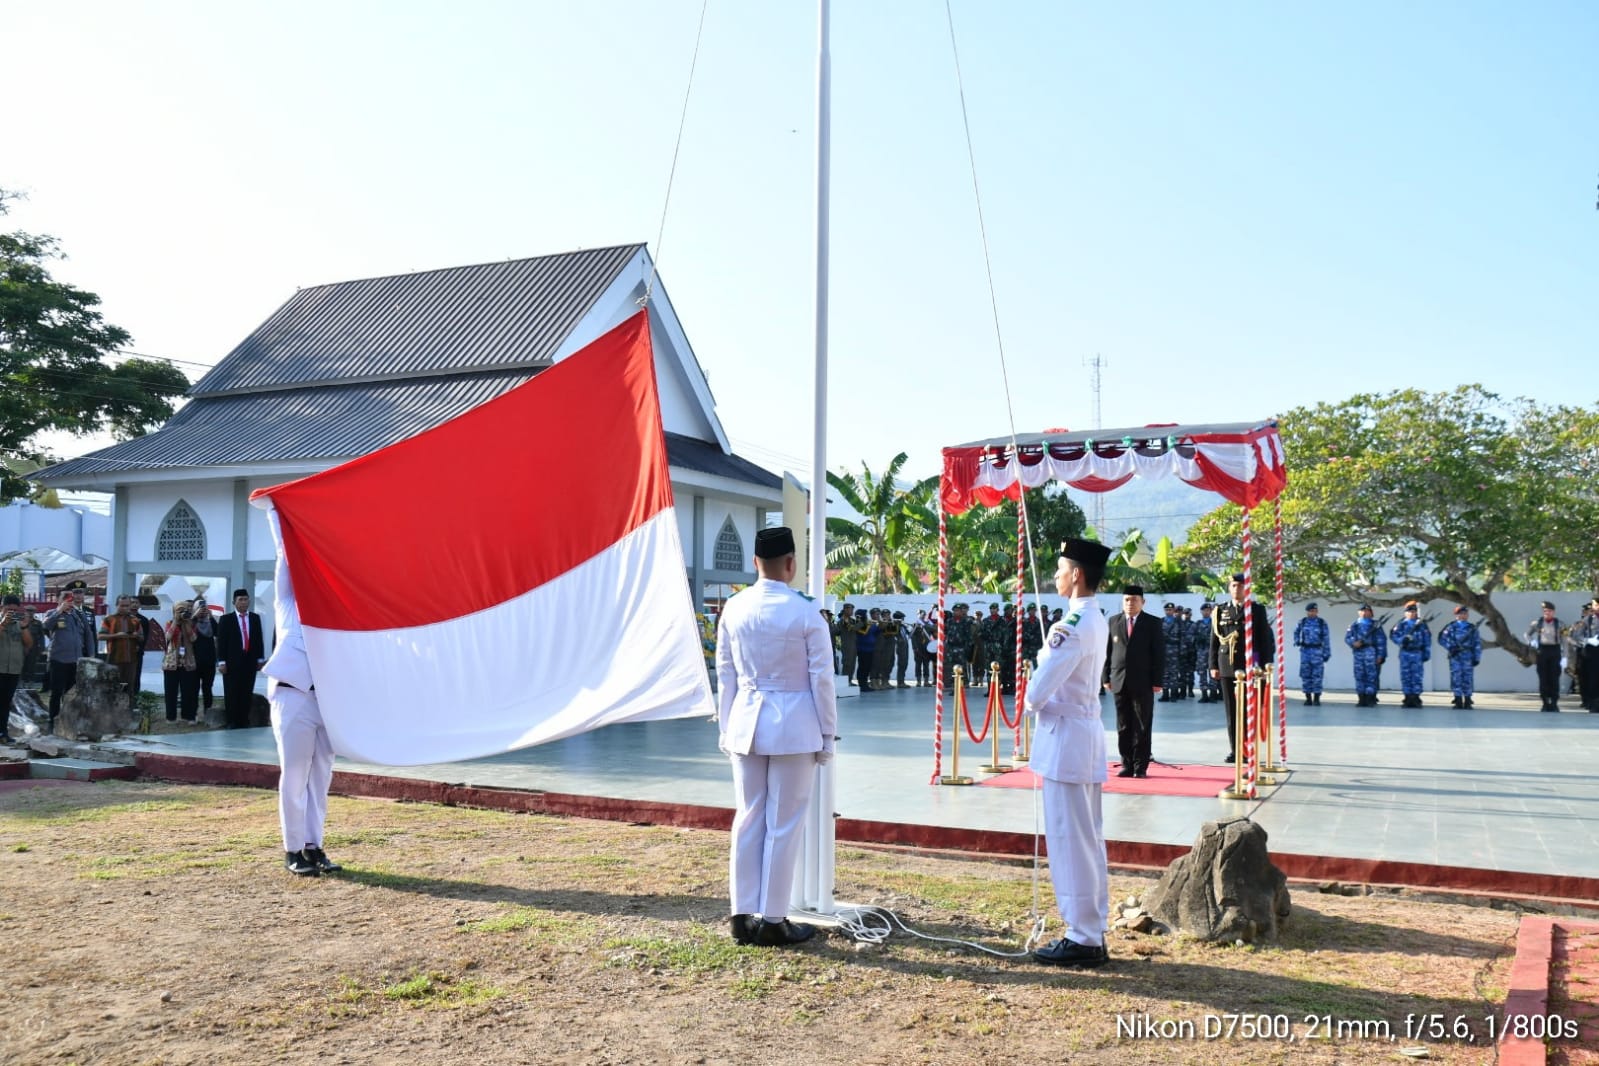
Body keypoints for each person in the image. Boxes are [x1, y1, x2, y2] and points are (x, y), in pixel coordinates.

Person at [715, 526, 835, 947]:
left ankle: (740, 914)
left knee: (747, 817)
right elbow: (822, 679)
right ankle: (773, 919)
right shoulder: (806, 611)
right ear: (791, 564)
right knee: (783, 824)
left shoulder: (733, 606)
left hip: (745, 721)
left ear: (754, 564)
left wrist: (725, 727)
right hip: (794, 726)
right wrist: (828, 733)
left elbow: (725, 673)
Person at [1026, 538, 1112, 968]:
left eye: (1060, 568)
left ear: (1077, 573)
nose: (1055, 576)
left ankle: (1083, 937)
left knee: (1069, 840)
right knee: (1087, 837)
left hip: (1066, 740)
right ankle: (1092, 928)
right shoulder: (1094, 618)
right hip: (1083, 734)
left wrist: (1032, 686)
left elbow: (1035, 694)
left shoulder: (1072, 625)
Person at [262, 508, 342, 877]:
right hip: (292, 695)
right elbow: (284, 561)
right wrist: (280, 514)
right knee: (294, 774)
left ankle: (314, 845)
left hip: (327, 701)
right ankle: (293, 849)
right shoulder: (288, 608)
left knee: (321, 777)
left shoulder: (335, 615)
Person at [1209, 574, 1275, 762]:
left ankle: (1248, 748)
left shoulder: (1256, 610)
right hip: (1227, 665)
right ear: (1229, 588)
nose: (1237, 589)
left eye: (1240, 586)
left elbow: (1264, 641)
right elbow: (1214, 641)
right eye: (1234, 586)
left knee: (1248, 709)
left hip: (1250, 665)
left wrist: (1264, 666)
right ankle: (1235, 750)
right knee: (1231, 710)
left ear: (1247, 589)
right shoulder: (1220, 610)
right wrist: (1213, 665)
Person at [1103, 584, 1163, 778]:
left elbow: (1159, 654)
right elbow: (1107, 653)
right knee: (1123, 725)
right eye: (1127, 600)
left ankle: (1140, 766)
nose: (1130, 603)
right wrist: (1105, 677)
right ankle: (1127, 764)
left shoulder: (1152, 623)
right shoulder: (1113, 621)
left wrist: (1157, 680)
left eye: (1134, 600)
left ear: (1142, 602)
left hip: (1143, 682)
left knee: (1142, 724)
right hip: (1119, 680)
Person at [42, 583, 97, 731]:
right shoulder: (51, 613)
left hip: (76, 660)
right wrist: (59, 611)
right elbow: (45, 626)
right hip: (58, 660)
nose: (69, 600)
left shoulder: (78, 615)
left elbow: (88, 635)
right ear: (59, 600)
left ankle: (70, 720)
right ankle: (52, 722)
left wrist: (91, 655)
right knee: (56, 693)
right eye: (65, 597)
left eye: (70, 597)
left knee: (72, 693)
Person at [216, 588, 266, 728]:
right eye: (240, 600)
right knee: (232, 691)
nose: (244, 602)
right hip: (232, 662)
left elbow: (259, 640)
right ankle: (232, 720)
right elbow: (221, 642)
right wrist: (221, 661)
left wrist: (260, 659)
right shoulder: (226, 619)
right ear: (234, 602)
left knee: (246, 690)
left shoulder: (255, 618)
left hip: (249, 661)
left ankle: (244, 720)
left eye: (246, 599)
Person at [99, 595, 147, 714]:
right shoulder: (109, 619)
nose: (125, 608)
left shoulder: (135, 620)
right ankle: (111, 713)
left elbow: (142, 637)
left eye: (127, 605)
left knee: (129, 687)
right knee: (113, 686)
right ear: (117, 605)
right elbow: (100, 636)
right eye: (122, 605)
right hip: (114, 658)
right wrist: (116, 636)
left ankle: (128, 713)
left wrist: (137, 636)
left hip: (131, 659)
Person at [1, 594, 35, 743]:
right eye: (9, 609)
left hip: (13, 669)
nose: (11, 613)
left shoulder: (18, 623)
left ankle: (3, 733)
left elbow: (29, 644)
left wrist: (25, 627)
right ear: (2, 608)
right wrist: (2, 623)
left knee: (5, 702)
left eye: (15, 610)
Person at [161, 600, 202, 722]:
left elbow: (194, 638)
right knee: (170, 691)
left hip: (187, 662)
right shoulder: (169, 623)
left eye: (185, 610)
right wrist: (176, 621)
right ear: (174, 611)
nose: (183, 612)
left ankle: (188, 716)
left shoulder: (191, 624)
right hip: (171, 662)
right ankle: (171, 717)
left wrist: (186, 624)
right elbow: (168, 637)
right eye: (179, 610)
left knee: (188, 690)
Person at [1437, 606, 1483, 708]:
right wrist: (1451, 647)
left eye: (1465, 613)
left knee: (1467, 678)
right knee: (1456, 677)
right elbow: (1441, 639)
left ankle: (1467, 700)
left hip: (1467, 655)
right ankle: (1457, 699)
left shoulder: (1472, 628)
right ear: (1456, 615)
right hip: (1455, 656)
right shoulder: (1451, 627)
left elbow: (1477, 644)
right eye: (1460, 613)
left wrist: (1477, 657)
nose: (1463, 615)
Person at [1390, 601, 1432, 708]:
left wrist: (1426, 653)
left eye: (1414, 612)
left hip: (1417, 652)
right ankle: (1407, 697)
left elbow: (1427, 640)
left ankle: (1416, 697)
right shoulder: (1401, 624)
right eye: (1409, 612)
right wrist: (1401, 640)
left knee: (1417, 676)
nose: (1412, 614)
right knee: (1405, 676)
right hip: (1405, 653)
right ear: (1405, 613)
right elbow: (1393, 635)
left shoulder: (1422, 624)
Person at [1344, 604, 1388, 707]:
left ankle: (1370, 698)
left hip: (1371, 652)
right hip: (1358, 653)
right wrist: (1353, 643)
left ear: (1370, 612)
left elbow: (1381, 641)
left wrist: (1381, 656)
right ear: (1358, 612)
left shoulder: (1375, 625)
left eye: (1367, 611)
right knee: (1359, 676)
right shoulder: (1354, 625)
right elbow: (1348, 638)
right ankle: (1361, 698)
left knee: (1372, 676)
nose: (1364, 613)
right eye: (1362, 611)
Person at [1524, 601, 1563, 712]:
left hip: (1555, 651)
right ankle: (1545, 703)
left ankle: (1554, 703)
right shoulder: (1537, 623)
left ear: (1553, 612)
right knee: (1543, 678)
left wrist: (1565, 656)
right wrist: (1531, 642)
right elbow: (1526, 634)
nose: (1547, 613)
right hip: (1542, 651)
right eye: (1545, 611)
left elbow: (1564, 639)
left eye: (1549, 611)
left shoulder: (1559, 624)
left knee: (1554, 678)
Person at [1292, 603, 1331, 705]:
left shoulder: (1322, 623)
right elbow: (1296, 632)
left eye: (1314, 611)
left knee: (1317, 676)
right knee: (1306, 675)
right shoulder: (1302, 622)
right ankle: (1308, 698)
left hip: (1318, 651)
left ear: (1317, 611)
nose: (1313, 613)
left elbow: (1326, 639)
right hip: (1305, 651)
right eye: (1311, 611)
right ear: (1307, 612)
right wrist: (1297, 640)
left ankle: (1317, 698)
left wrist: (1327, 653)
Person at [1569, 598, 1599, 712]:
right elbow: (1577, 636)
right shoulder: (1587, 620)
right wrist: (1588, 640)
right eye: (1596, 605)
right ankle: (1592, 703)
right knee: (1591, 678)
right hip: (1591, 652)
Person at [191, 595, 219, 716]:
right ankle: (194, 712)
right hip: (194, 660)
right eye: (200, 608)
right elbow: (187, 631)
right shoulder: (192, 622)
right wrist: (195, 616)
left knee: (208, 688)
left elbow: (218, 632)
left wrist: (211, 616)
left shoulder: (210, 622)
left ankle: (208, 711)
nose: (202, 611)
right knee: (194, 688)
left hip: (209, 661)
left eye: (204, 608)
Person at [1193, 604, 1219, 702]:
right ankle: (1204, 695)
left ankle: (1213, 695)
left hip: (1212, 652)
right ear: (1201, 611)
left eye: (1208, 610)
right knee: (1202, 674)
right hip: (1201, 653)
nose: (1206, 612)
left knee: (1213, 673)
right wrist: (1197, 640)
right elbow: (1190, 636)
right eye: (1204, 610)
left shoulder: (1215, 623)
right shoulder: (1197, 624)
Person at [854, 609, 878, 693]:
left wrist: (879, 625)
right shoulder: (859, 624)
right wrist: (868, 624)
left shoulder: (869, 624)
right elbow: (863, 632)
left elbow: (877, 632)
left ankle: (865, 684)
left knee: (867, 667)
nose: (866, 616)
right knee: (862, 667)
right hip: (863, 649)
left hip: (870, 649)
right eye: (865, 615)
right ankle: (862, 684)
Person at [838, 603, 858, 684]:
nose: (852, 611)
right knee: (847, 664)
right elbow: (852, 628)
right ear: (845, 610)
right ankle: (845, 682)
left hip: (854, 645)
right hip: (847, 645)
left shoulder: (852, 620)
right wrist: (861, 623)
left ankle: (849, 680)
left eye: (852, 609)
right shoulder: (842, 620)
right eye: (850, 609)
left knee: (852, 664)